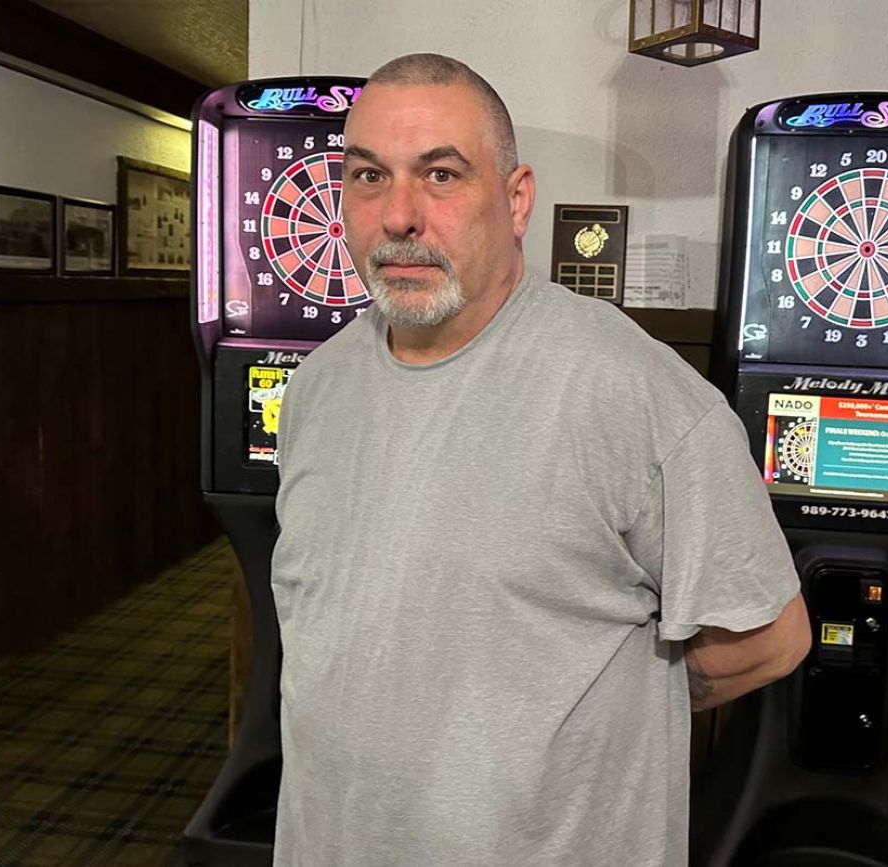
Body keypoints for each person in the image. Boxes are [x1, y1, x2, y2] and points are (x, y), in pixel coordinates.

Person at [270, 52, 810, 867]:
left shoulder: (633, 389)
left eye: (442, 175)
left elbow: (770, 637)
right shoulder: (316, 388)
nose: (400, 215)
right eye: (368, 176)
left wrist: (599, 717)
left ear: (516, 199)